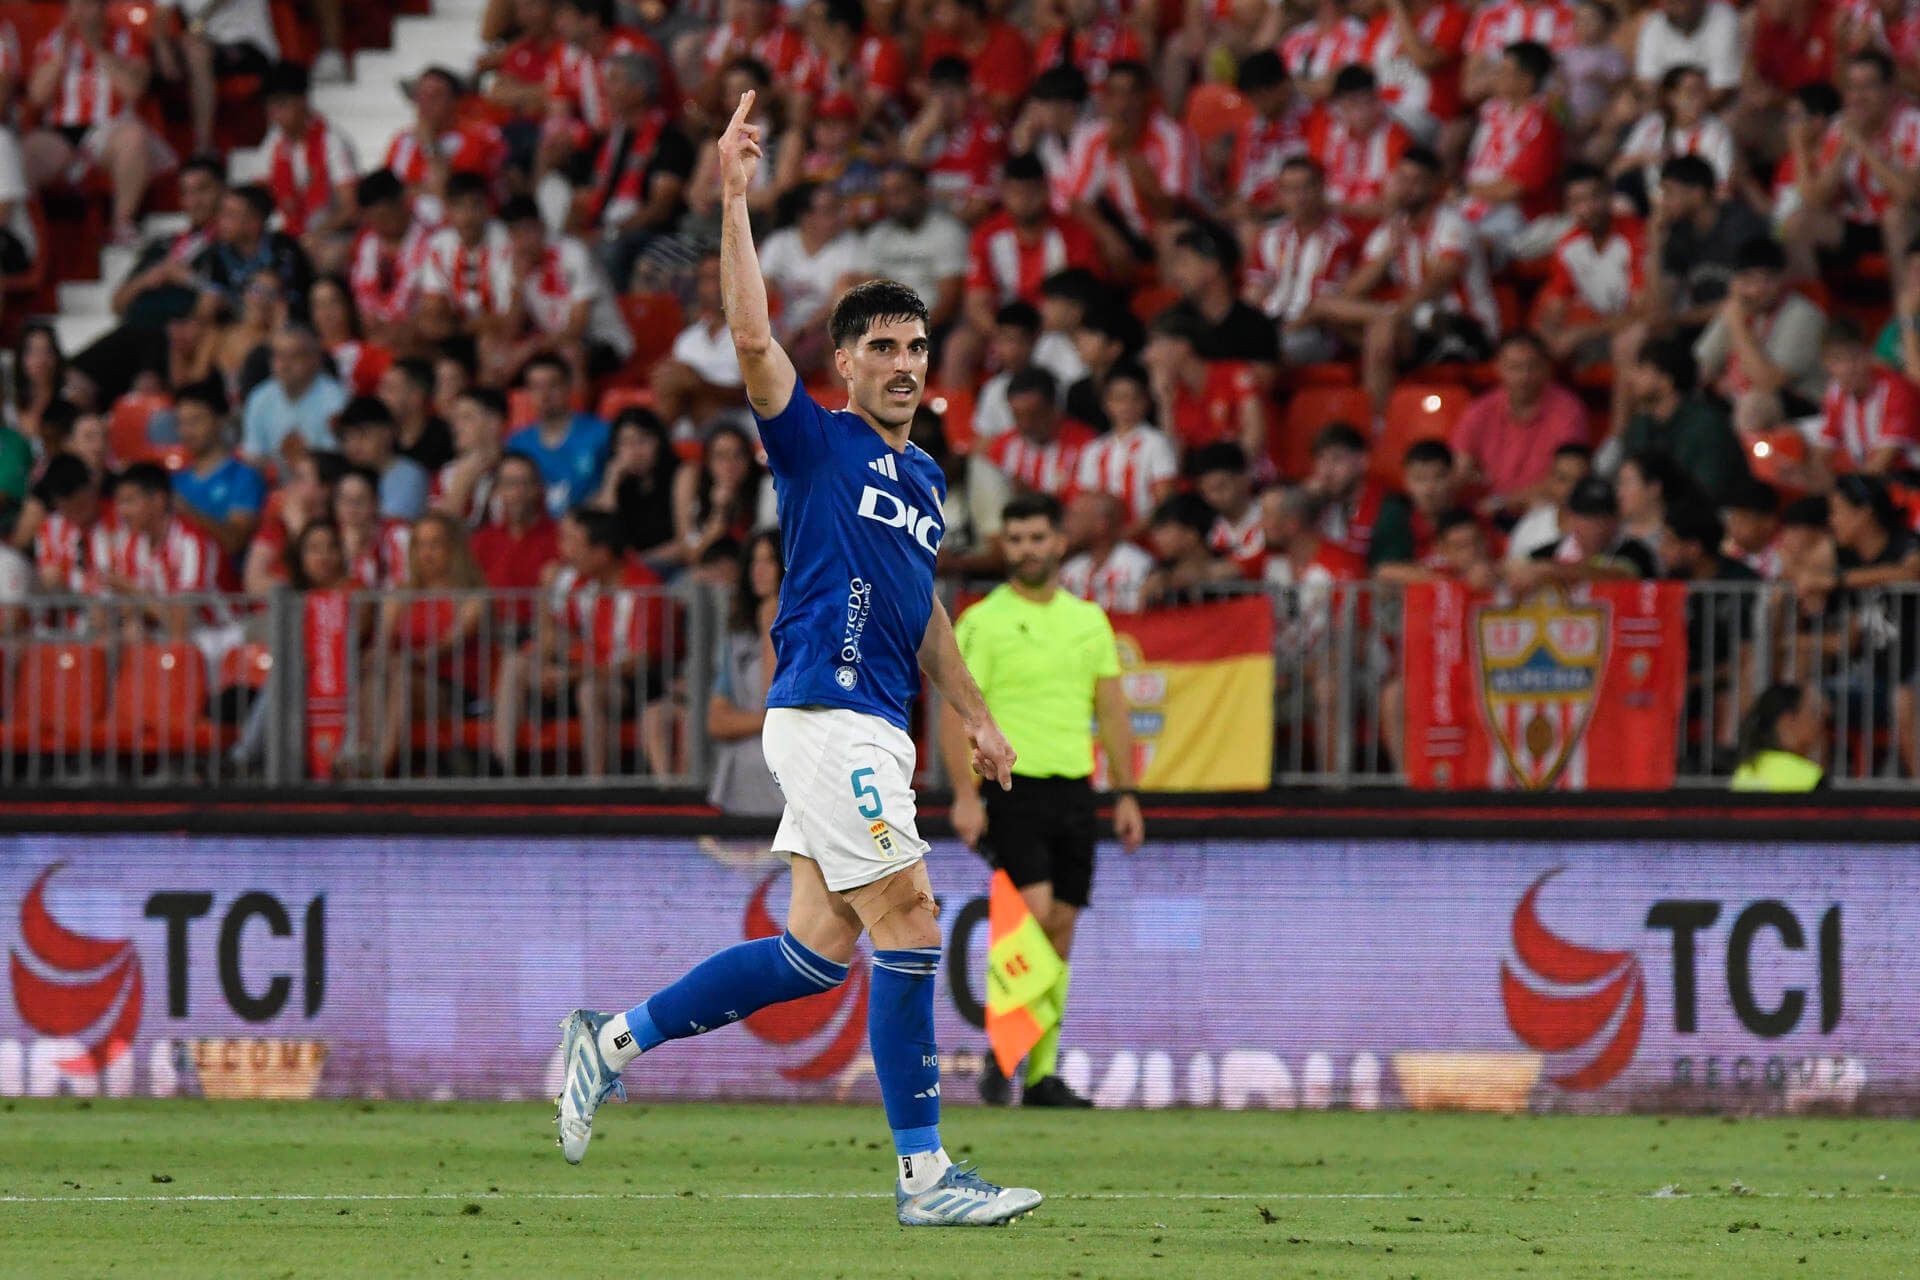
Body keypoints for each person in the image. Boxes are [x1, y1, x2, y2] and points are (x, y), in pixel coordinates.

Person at [552, 91, 1040, 1228]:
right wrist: (732, 199)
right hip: (823, 709)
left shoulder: (924, 480)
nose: (906, 363)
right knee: (912, 916)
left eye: (917, 346)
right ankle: (924, 1177)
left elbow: (924, 617)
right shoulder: (812, 439)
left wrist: (974, 715)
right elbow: (749, 336)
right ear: (848, 363)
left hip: (877, 718)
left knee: (818, 954)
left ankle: (607, 1039)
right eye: (883, 347)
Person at [944, 492, 1143, 1109]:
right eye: (1016, 538)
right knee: (1027, 918)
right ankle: (1004, 1056)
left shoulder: (1088, 620)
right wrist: (963, 795)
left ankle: (1038, 1074)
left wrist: (1127, 791)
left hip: (1074, 788)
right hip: (1010, 785)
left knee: (1059, 931)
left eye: (1037, 537)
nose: (1026, 549)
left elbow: (1110, 709)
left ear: (1059, 543)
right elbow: (956, 713)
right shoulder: (982, 619)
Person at [706, 531, 785, 816]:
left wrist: (770, 627)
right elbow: (717, 722)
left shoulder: (811, 631)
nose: (759, 571)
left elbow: (776, 699)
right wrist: (765, 721)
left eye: (769, 561)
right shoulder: (736, 639)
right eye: (754, 562)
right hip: (747, 769)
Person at [506, 353, 611, 517]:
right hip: (536, 535)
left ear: (568, 387)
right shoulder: (516, 444)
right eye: (536, 387)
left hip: (588, 530)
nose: (544, 395)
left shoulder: (601, 433)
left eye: (552, 385)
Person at [241, 323, 349, 464]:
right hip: (273, 483)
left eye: (294, 356)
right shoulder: (259, 397)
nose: (284, 365)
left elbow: (333, 461)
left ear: (315, 359)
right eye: (279, 356)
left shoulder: (336, 401)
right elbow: (253, 456)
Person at [335, 395, 431, 521]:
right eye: (347, 436)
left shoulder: (409, 474)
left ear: (388, 432)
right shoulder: (344, 475)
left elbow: (392, 523)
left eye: (363, 434)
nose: (354, 444)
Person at [1059, 490, 1153, 613]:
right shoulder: (1070, 570)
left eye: (1075, 516)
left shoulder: (1139, 567)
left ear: (1101, 524)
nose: (1067, 524)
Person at [1730, 683, 1827, 791]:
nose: (1818, 723)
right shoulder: (1810, 777)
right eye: (1812, 713)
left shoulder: (1743, 771)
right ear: (1787, 722)